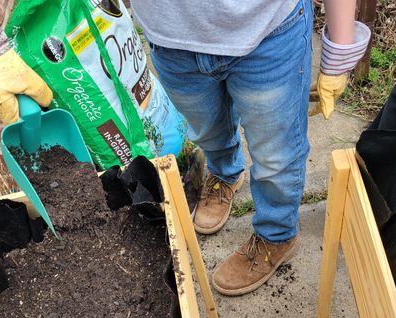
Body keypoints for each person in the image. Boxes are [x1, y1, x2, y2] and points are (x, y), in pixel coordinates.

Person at [130, 0, 371, 295]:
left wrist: (339, 52)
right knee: (207, 131)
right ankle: (225, 172)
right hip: (171, 39)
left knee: (276, 158)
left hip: (267, 32)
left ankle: (277, 235)